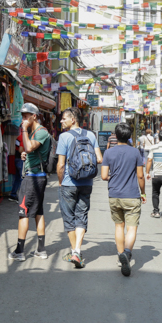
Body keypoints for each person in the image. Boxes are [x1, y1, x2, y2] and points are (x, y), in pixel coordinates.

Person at [56, 107, 103, 268]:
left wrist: (60, 182)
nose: (61, 121)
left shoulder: (64, 137)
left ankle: (75, 252)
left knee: (69, 218)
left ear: (73, 120)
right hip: (87, 183)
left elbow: (61, 164)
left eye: (64, 118)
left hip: (69, 183)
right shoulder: (90, 135)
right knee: (81, 216)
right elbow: (99, 158)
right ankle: (77, 251)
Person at [101, 123, 145, 277]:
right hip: (132, 195)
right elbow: (140, 176)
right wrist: (144, 192)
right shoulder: (135, 153)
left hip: (114, 195)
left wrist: (114, 176)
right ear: (129, 137)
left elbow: (104, 176)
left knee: (119, 226)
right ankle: (127, 252)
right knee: (131, 228)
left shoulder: (108, 153)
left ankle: (121, 257)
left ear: (116, 136)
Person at [9, 103, 52, 261]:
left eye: (27, 115)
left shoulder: (41, 132)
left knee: (24, 214)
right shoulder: (35, 132)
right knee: (38, 212)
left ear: (34, 116)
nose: (23, 119)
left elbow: (28, 147)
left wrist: (24, 129)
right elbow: (25, 151)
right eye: (22, 115)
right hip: (35, 176)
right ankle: (41, 250)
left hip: (33, 178)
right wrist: (24, 156)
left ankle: (20, 251)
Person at [9, 131, 25, 202]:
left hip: (17, 159)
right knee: (22, 179)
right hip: (21, 160)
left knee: (18, 178)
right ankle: (21, 197)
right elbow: (20, 150)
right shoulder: (23, 137)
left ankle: (13, 194)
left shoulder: (19, 136)